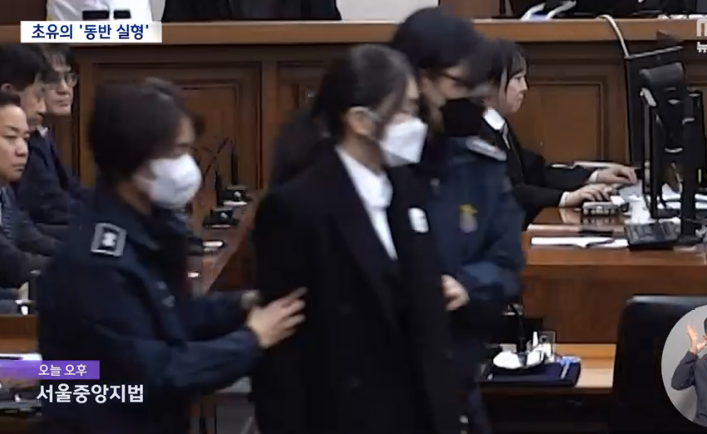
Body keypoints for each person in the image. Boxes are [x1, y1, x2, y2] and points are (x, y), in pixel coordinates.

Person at [36, 80, 305, 434]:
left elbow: (172, 318)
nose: (188, 165)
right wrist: (253, 338)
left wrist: (243, 304)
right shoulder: (97, 263)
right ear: (134, 159)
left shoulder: (147, 229)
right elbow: (156, 372)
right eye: (178, 152)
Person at [251, 44, 460, 434]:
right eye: (404, 111)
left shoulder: (407, 187)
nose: (416, 123)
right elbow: (284, 357)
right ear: (361, 120)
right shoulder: (297, 207)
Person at [390, 10, 525, 434]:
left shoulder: (480, 166)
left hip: (458, 379)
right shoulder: (380, 164)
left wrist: (465, 285)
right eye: (459, 85)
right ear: (417, 79)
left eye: (477, 87)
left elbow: (507, 263)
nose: (472, 99)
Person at [480, 39, 638, 226]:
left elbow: (536, 172)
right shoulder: (479, 136)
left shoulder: (500, 127)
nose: (525, 87)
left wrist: (595, 176)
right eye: (518, 79)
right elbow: (509, 192)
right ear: (491, 83)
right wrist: (566, 198)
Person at [14, 44, 89, 240]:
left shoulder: (43, 134)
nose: (65, 89)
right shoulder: (23, 141)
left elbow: (71, 188)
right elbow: (49, 207)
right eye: (53, 79)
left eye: (69, 77)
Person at [0, 91, 60, 304]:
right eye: (10, 138)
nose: (23, 150)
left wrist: (84, 251)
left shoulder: (5, 191)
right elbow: (12, 263)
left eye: (25, 139)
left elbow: (32, 237)